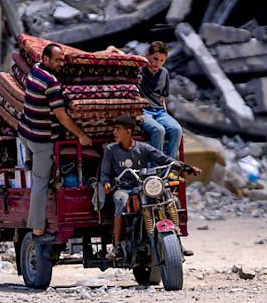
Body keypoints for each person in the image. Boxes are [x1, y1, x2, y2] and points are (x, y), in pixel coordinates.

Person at [18, 43, 92, 241]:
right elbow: (62, 116)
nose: (61, 64)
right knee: (40, 182)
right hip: (41, 139)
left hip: (25, 131)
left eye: (62, 60)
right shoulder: (51, 83)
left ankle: (29, 163)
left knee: (36, 170)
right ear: (46, 59)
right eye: (57, 60)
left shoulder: (35, 70)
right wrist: (81, 135)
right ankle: (37, 228)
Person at [98, 116, 198, 260]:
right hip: (123, 188)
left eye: (117, 129)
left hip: (143, 186)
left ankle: (177, 242)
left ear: (128, 131)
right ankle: (117, 246)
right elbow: (105, 173)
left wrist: (186, 168)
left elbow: (164, 159)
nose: (114, 132)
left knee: (172, 200)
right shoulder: (111, 149)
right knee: (120, 200)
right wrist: (106, 182)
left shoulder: (143, 148)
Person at [138, 41, 183, 158]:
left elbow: (162, 97)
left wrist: (165, 114)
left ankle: (168, 165)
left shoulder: (164, 73)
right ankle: (155, 168)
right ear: (148, 55)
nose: (157, 63)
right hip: (143, 111)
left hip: (159, 111)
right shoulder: (139, 71)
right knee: (158, 130)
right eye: (155, 59)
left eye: (162, 60)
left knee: (176, 130)